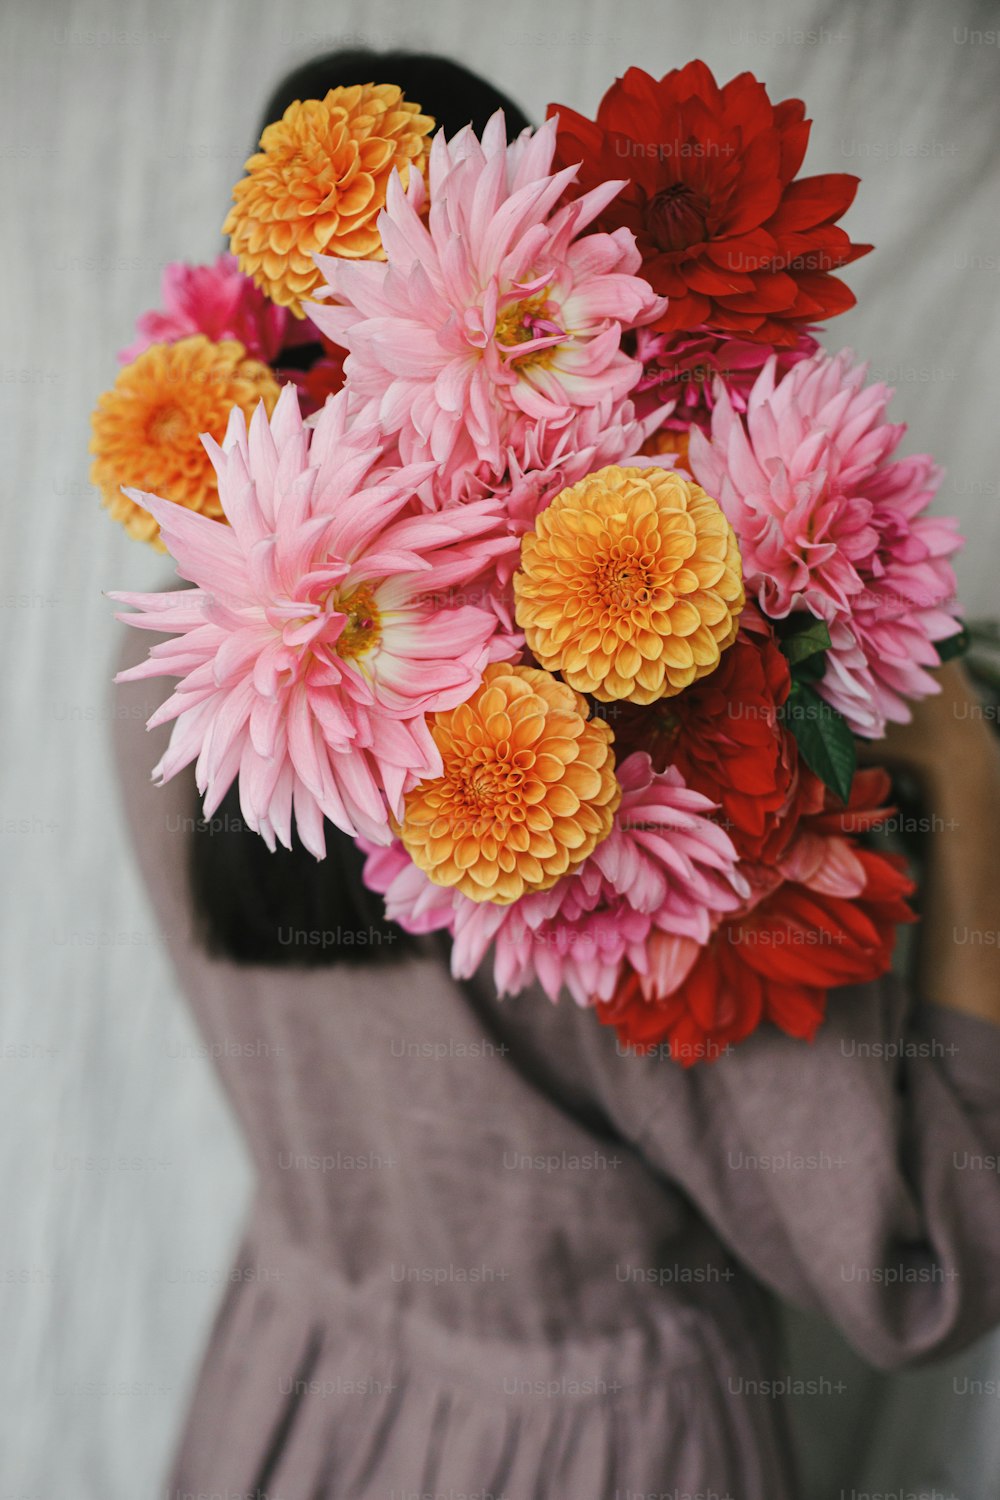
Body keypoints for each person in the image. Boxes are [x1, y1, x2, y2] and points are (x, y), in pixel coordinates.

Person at [113, 52, 1000, 1500]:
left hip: (293, 1398)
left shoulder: (154, 690)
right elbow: (926, 1272)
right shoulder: (616, 834)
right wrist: (966, 787)